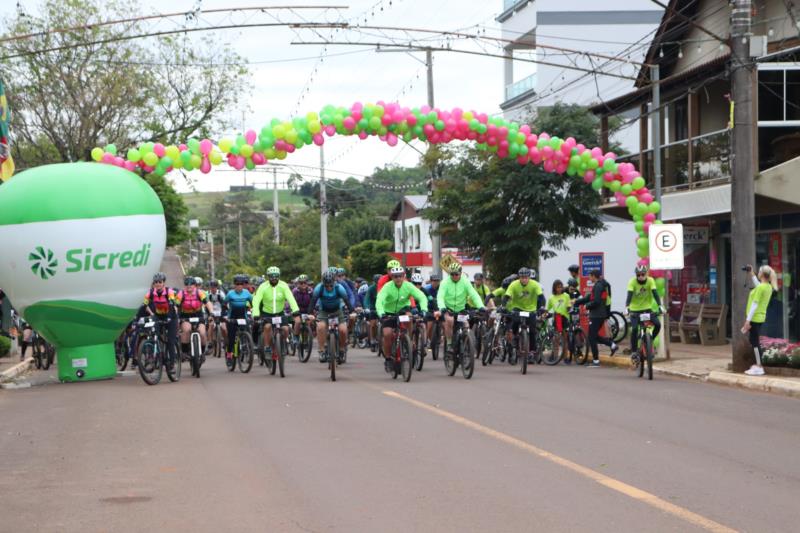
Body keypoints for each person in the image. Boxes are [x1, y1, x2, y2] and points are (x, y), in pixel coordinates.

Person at [376, 266, 428, 373]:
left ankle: (408, 339)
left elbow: (421, 297)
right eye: (395, 276)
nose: (398, 278)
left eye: (400, 276)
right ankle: (388, 358)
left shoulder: (408, 286)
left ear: (404, 276)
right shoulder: (387, 287)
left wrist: (423, 309)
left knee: (409, 316)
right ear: (392, 277)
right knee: (387, 334)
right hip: (388, 313)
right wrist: (381, 313)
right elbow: (379, 300)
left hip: (403, 310)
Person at [435, 263, 485, 356]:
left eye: (456, 274)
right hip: (448, 308)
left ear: (461, 273)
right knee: (449, 321)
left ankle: (466, 346)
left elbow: (474, 295)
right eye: (452, 274)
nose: (454, 276)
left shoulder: (465, 282)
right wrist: (442, 308)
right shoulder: (445, 282)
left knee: (465, 325)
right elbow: (440, 296)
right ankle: (449, 344)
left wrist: (481, 306)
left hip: (461, 309)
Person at [252, 266, 300, 360]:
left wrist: (295, 311)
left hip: (279, 313)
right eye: (271, 276)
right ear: (268, 277)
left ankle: (281, 345)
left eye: (276, 276)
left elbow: (291, 298)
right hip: (267, 313)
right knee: (267, 327)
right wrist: (256, 314)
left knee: (286, 329)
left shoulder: (283, 285)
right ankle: (267, 348)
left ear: (279, 276)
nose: (274, 278)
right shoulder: (263, 286)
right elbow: (256, 300)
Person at [573, 269, 618, 366]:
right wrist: (576, 302)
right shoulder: (600, 285)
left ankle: (596, 361)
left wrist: (587, 306)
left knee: (591, 338)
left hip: (597, 315)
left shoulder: (598, 286)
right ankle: (612, 345)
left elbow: (596, 301)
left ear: (594, 276)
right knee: (593, 336)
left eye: (590, 276)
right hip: (600, 314)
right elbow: (589, 297)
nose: (589, 278)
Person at [741, 264, 778, 376]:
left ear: (761, 274)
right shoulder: (767, 287)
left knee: (755, 342)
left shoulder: (762, 287)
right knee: (754, 341)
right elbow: (758, 285)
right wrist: (752, 273)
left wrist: (748, 320)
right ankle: (758, 365)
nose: (758, 273)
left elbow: (754, 304)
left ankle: (759, 366)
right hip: (760, 317)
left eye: (759, 272)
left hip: (754, 317)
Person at [502, 268, 545, 362]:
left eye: (526, 277)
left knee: (533, 331)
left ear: (529, 277)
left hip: (531, 309)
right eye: (522, 277)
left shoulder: (534, 284)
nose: (524, 279)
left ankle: (532, 351)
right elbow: (506, 297)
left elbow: (541, 297)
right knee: (515, 323)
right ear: (519, 277)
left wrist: (542, 307)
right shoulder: (514, 284)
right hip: (517, 308)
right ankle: (514, 338)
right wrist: (503, 306)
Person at [309, 271, 351, 362]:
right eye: (326, 286)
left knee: (343, 330)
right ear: (323, 284)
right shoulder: (319, 288)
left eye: (330, 285)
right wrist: (310, 314)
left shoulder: (339, 288)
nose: (328, 287)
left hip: (337, 311)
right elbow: (313, 301)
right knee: (320, 327)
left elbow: (347, 301)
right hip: (324, 311)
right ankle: (321, 351)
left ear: (334, 283)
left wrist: (352, 312)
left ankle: (342, 350)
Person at [626, 265, 663, 360]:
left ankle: (649, 341)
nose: (640, 276)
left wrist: (660, 306)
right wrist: (627, 307)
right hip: (634, 310)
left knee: (657, 324)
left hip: (647, 309)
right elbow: (629, 295)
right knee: (634, 329)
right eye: (638, 275)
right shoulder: (632, 282)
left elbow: (655, 293)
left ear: (646, 274)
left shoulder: (650, 280)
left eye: (643, 274)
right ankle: (634, 351)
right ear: (636, 275)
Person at [143, 272, 179, 367]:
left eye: (160, 281)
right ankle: (152, 356)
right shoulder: (150, 292)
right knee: (153, 335)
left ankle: (172, 364)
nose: (158, 283)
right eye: (156, 282)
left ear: (163, 283)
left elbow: (172, 305)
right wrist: (151, 314)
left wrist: (169, 317)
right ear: (153, 283)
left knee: (170, 341)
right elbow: (144, 305)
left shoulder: (169, 291)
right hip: (158, 316)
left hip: (171, 316)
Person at [175, 276, 214, 359]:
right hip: (185, 316)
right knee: (187, 330)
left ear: (195, 285)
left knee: (203, 333)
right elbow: (176, 306)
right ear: (184, 285)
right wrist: (175, 315)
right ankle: (185, 352)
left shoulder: (200, 293)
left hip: (198, 315)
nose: (189, 286)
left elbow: (208, 303)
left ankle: (202, 352)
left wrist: (211, 313)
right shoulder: (181, 293)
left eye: (191, 284)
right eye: (187, 284)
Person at [224, 275, 253, 360]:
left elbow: (253, 303)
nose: (239, 286)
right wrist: (225, 315)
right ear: (234, 285)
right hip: (232, 317)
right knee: (231, 337)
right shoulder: (230, 294)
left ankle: (246, 345)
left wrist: (252, 311)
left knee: (248, 331)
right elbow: (224, 304)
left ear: (243, 285)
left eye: (241, 284)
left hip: (243, 317)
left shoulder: (247, 293)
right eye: (237, 284)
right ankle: (229, 352)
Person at [547, 279, 571, 363]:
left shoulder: (566, 296)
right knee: (556, 339)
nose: (560, 289)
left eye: (561, 287)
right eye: (558, 287)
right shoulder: (551, 298)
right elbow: (548, 308)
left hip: (565, 318)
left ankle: (565, 357)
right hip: (556, 319)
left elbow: (569, 305)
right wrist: (544, 314)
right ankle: (555, 356)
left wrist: (569, 308)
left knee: (565, 339)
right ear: (554, 288)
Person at [292, 274, 314, 346]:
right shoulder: (295, 291)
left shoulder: (311, 291)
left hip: (307, 310)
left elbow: (314, 301)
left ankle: (306, 340)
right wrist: (293, 310)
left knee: (308, 323)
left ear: (307, 283)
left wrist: (314, 310)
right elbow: (291, 301)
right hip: (297, 311)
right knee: (298, 322)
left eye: (305, 283)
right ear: (298, 284)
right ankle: (296, 336)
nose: (303, 284)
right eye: (301, 283)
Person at [207, 279, 227, 357]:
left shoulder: (221, 294)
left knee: (224, 328)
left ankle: (225, 342)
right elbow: (205, 305)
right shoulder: (207, 294)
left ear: (217, 287)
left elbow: (225, 304)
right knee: (211, 324)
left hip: (221, 311)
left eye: (215, 287)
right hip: (211, 312)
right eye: (212, 287)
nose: (213, 288)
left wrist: (225, 312)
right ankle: (210, 342)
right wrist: (208, 314)